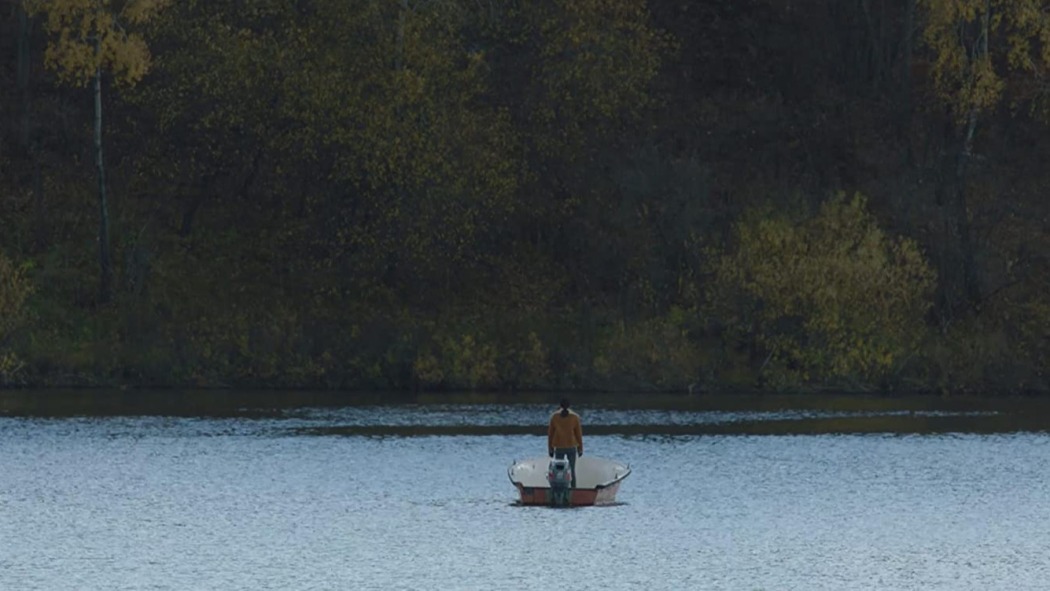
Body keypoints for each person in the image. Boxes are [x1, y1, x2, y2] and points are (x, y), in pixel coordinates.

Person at [548, 397, 583, 488]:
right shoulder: (574, 417)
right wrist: (580, 448)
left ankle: (557, 487)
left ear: (560, 405)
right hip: (571, 446)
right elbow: (578, 434)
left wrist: (550, 449)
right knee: (571, 470)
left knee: (558, 470)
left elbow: (550, 434)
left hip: (559, 447)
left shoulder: (554, 417)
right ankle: (573, 488)